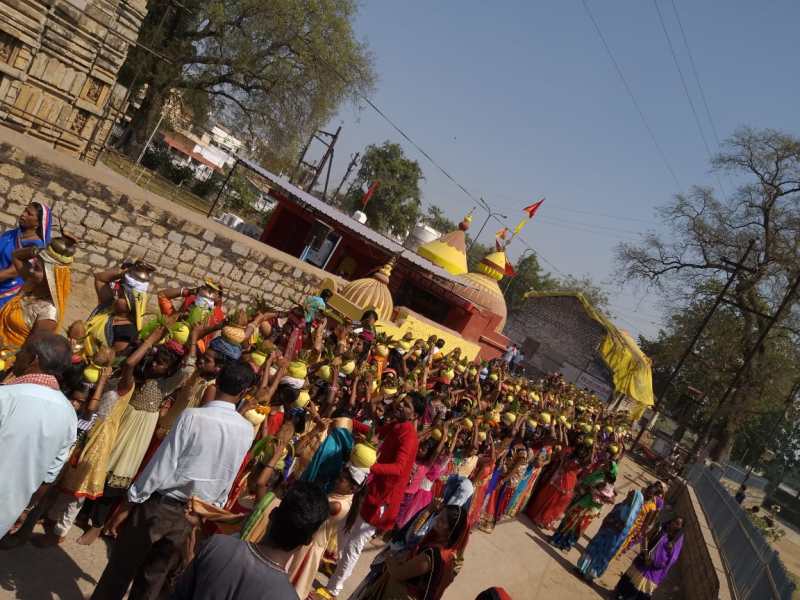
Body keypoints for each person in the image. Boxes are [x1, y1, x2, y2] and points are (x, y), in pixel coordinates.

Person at [90, 362, 257, 600]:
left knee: (121, 569)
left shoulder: (193, 416)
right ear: (244, 392)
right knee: (153, 580)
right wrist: (205, 514)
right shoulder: (245, 430)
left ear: (216, 382)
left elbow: (163, 462)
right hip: (191, 513)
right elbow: (227, 475)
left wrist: (130, 502)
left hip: (159, 506)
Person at [323, 392, 424, 597]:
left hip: (382, 499)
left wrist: (370, 466)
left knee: (353, 544)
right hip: (371, 490)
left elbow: (398, 468)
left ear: (415, 416)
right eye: (402, 401)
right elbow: (375, 432)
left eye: (407, 406)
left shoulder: (409, 436)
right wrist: (349, 423)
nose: (401, 405)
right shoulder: (398, 425)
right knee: (344, 529)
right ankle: (339, 567)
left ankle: (333, 589)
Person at [172, 481, 330, 600]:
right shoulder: (287, 597)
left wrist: (190, 563)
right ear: (307, 541)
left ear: (272, 513)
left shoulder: (216, 546)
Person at [0, 333, 74, 539]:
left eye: (22, 351)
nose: (16, 356)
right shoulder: (69, 415)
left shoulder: (6, 397)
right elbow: (49, 476)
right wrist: (25, 509)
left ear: (34, 360)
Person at [349, 504, 470, 600]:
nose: (437, 520)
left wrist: (390, 557)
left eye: (443, 521)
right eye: (439, 516)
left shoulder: (433, 555)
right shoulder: (450, 554)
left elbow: (399, 573)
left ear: (450, 531)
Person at [288, 463, 367, 598]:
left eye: (342, 480)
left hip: (309, 549)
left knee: (292, 582)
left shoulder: (338, 505)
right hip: (309, 544)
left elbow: (311, 507)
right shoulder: (340, 497)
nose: (337, 480)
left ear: (353, 488)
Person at [0, 237, 75, 347]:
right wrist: (37, 251)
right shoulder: (31, 282)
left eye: (37, 268)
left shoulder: (48, 313)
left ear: (51, 277)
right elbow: (16, 256)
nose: (31, 270)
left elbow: (33, 352)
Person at [576, 483, 658, 581]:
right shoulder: (623, 505)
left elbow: (641, 525)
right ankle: (582, 568)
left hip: (619, 535)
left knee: (605, 553)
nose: (628, 497)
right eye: (629, 495)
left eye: (630, 496)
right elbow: (610, 516)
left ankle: (591, 574)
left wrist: (637, 534)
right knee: (595, 547)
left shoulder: (635, 512)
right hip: (607, 531)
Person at [613, 517, 685, 600]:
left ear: (681, 528)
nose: (674, 524)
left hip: (655, 570)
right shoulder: (660, 527)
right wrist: (646, 554)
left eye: (678, 524)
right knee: (630, 582)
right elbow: (645, 538)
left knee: (643, 590)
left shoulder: (677, 541)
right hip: (644, 560)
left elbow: (672, 559)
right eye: (674, 521)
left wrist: (670, 550)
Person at [0, 201, 52, 307]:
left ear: (38, 223)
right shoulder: (12, 234)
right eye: (25, 210)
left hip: (7, 291)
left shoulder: (35, 248)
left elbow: (12, 272)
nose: (23, 214)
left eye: (29, 214)